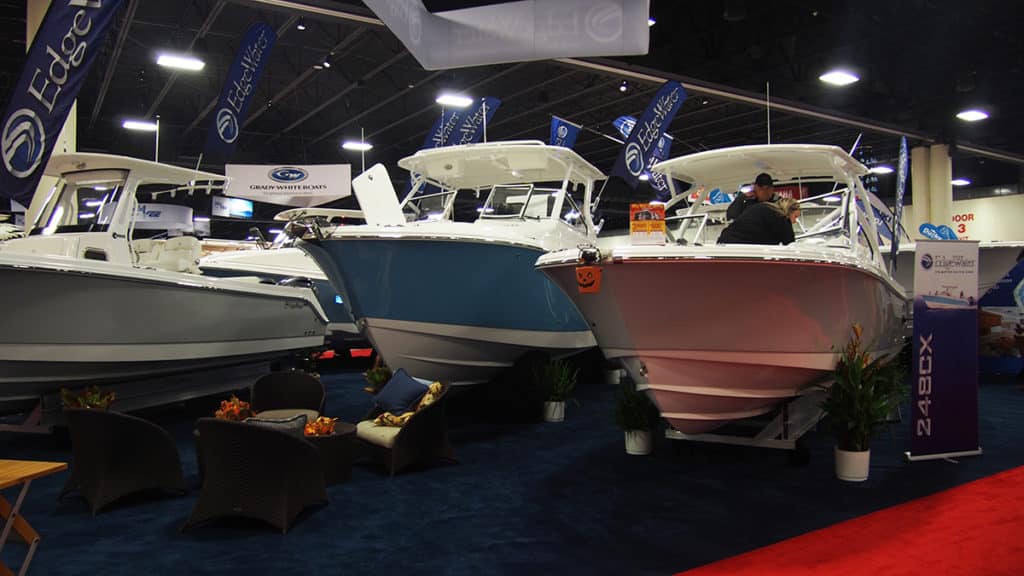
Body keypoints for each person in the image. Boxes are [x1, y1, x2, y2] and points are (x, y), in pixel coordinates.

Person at [717, 197, 801, 245]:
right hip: (738, 246)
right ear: (789, 211)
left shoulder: (762, 206)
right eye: (795, 216)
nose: (795, 221)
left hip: (724, 241)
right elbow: (790, 244)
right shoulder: (781, 218)